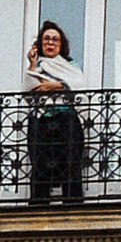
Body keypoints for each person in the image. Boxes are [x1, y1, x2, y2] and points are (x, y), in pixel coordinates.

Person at [24, 21, 88, 205]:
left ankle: (72, 205)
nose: (50, 43)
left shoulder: (69, 65)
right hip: (41, 121)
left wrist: (56, 85)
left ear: (61, 44)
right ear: (40, 43)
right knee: (40, 164)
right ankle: (39, 205)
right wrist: (32, 64)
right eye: (46, 39)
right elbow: (30, 91)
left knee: (70, 164)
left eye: (55, 39)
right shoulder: (37, 65)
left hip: (66, 119)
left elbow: (81, 84)